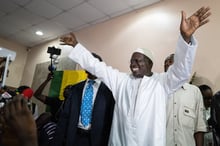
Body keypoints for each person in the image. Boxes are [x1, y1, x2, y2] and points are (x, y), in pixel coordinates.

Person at [60, 7, 211, 146]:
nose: (133, 64)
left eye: (138, 60)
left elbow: (181, 71)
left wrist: (185, 39)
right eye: (131, 61)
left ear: (150, 64)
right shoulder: (121, 80)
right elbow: (96, 66)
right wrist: (76, 46)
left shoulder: (161, 83)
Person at [52, 52, 115, 146]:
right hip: (74, 138)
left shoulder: (109, 91)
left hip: (97, 141)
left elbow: (111, 121)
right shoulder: (75, 89)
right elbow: (64, 117)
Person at [165, 54, 207, 146]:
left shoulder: (194, 92)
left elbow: (199, 128)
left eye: (172, 63)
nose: (168, 66)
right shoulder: (157, 91)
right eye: (166, 64)